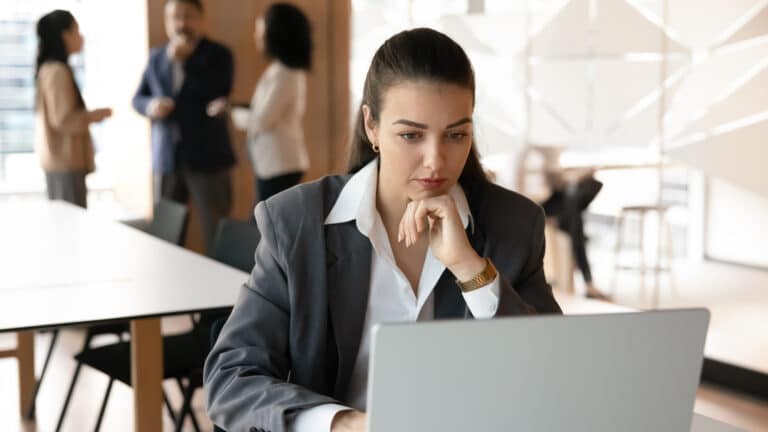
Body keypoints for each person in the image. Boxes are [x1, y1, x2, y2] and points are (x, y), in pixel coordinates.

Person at [203, 28, 562, 432]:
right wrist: (345, 424)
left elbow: (549, 376)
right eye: (411, 135)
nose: (435, 161)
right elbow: (231, 378)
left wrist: (470, 268)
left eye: (456, 135)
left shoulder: (513, 225)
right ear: (371, 125)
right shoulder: (297, 222)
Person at [132, 0, 235, 253]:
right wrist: (151, 106)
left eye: (187, 17)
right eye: (174, 18)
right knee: (165, 235)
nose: (181, 24)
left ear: (201, 19)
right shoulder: (157, 56)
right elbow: (137, 98)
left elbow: (218, 92)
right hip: (167, 158)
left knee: (216, 231)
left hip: (207, 158)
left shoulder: (219, 54)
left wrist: (185, 62)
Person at [34, 10, 112, 208]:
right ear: (65, 35)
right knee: (70, 224)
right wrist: (95, 116)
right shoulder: (57, 71)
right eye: (77, 31)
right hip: (65, 162)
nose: (81, 37)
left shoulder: (51, 68)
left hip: (62, 162)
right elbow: (62, 120)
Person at [522, 145, 609, 300]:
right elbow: (553, 182)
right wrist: (578, 175)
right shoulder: (538, 152)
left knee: (591, 187)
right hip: (540, 204)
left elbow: (558, 182)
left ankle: (588, 281)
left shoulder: (546, 151)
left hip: (553, 202)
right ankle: (588, 282)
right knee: (576, 216)